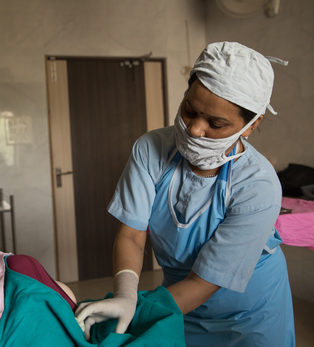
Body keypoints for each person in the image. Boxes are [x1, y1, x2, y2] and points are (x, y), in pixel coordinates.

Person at [75, 42, 295, 346]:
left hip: (249, 312)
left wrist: (139, 311)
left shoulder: (258, 186)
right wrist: (126, 295)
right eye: (190, 110)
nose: (194, 129)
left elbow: (206, 281)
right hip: (177, 297)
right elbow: (132, 235)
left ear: (250, 125)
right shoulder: (150, 150)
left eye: (215, 124)